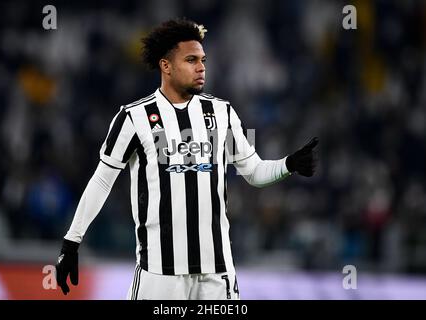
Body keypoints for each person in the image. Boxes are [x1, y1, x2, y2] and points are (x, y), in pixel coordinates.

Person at [55, 18, 318, 300]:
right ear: (165, 66)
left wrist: (288, 165)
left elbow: (253, 170)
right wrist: (71, 243)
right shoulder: (133, 117)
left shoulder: (223, 112)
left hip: (217, 272)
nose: (201, 67)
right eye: (191, 60)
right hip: (159, 273)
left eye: (203, 59)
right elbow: (102, 181)